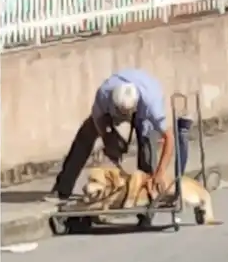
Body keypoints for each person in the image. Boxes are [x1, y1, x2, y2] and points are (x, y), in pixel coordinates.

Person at [50, 68, 174, 204]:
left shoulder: (151, 106)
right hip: (112, 106)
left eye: (126, 114)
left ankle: (144, 195)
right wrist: (108, 140)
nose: (123, 118)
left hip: (145, 105)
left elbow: (169, 138)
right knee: (85, 136)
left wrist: (160, 172)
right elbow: (98, 121)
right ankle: (62, 188)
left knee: (147, 148)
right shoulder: (104, 94)